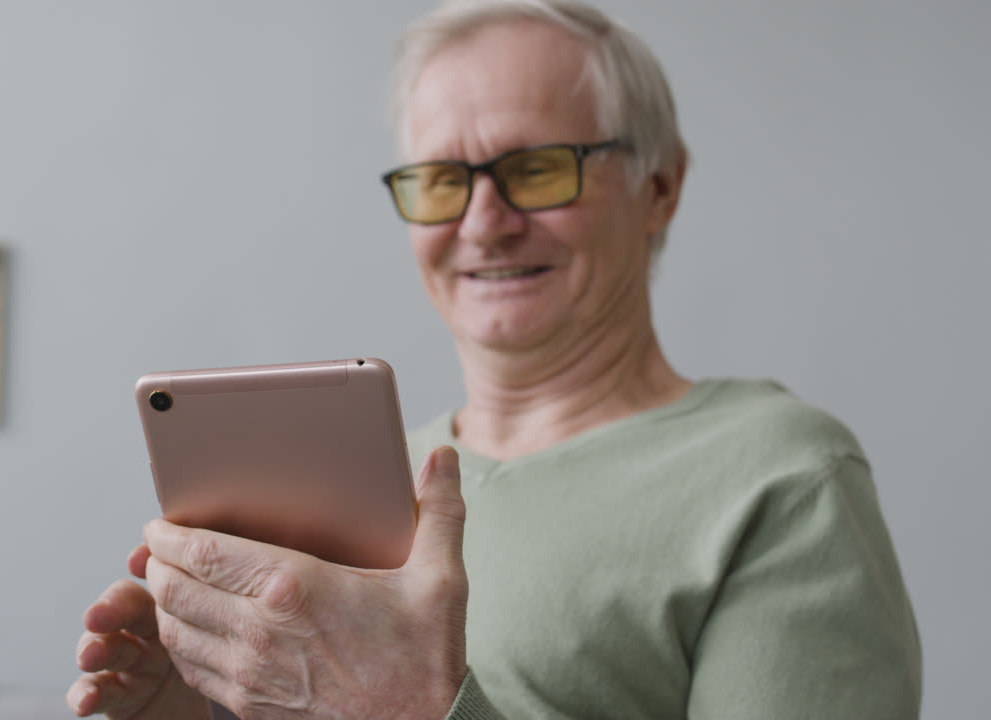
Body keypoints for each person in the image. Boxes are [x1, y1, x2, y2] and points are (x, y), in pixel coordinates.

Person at [67, 1, 922, 717]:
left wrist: (415, 705)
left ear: (660, 186)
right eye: (442, 180)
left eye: (537, 169)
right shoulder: (376, 483)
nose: (483, 222)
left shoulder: (783, 477)